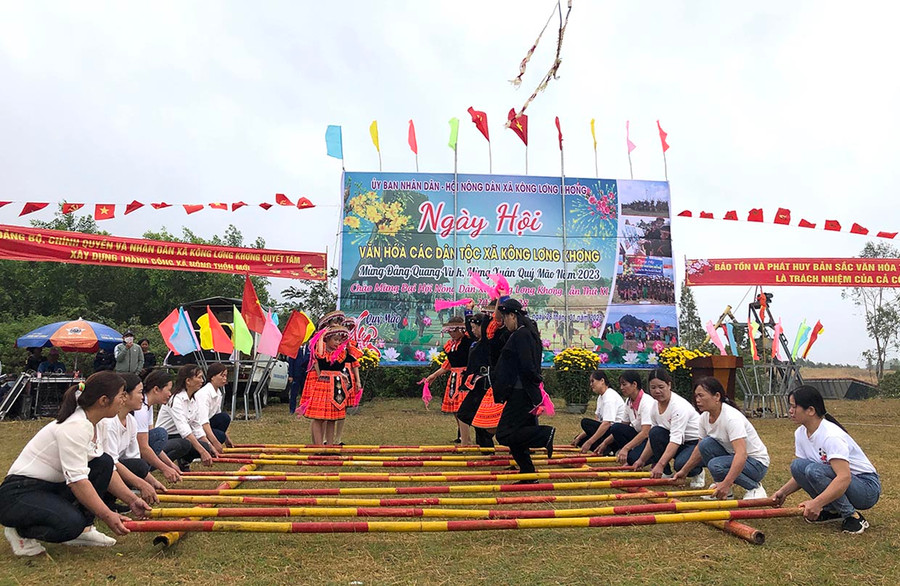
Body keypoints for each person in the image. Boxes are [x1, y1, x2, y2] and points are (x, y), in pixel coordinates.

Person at [0, 372, 151, 556]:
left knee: (103, 462)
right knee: (70, 525)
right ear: (104, 400)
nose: (124, 399)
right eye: (121, 395)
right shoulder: (76, 426)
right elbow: (77, 481)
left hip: (51, 486)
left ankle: (84, 530)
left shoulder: (100, 422)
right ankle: (20, 529)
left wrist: (132, 500)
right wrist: (107, 514)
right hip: (19, 493)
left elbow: (108, 470)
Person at [772, 385, 881, 534]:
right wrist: (783, 492)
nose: (790, 411)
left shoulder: (831, 436)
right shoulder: (800, 433)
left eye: (794, 407)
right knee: (797, 465)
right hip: (847, 483)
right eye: (790, 406)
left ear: (810, 410)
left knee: (814, 470)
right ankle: (832, 511)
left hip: (866, 488)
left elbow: (844, 477)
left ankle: (853, 517)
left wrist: (816, 503)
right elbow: (802, 474)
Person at [673, 377, 769, 500]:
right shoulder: (703, 418)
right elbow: (699, 449)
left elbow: (742, 454)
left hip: (756, 464)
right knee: (705, 445)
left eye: (701, 396)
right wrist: (684, 471)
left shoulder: (731, 418)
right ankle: (723, 490)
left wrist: (727, 483)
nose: (697, 400)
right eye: (696, 396)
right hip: (734, 457)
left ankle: (754, 488)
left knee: (715, 465)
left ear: (717, 396)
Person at [492, 298, 555, 481]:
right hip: (523, 391)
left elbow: (527, 366)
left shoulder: (522, 335)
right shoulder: (526, 333)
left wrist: (535, 381)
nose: (504, 323)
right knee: (517, 434)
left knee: (504, 433)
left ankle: (545, 435)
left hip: (521, 392)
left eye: (505, 318)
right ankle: (528, 472)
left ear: (513, 315)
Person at [98, 374, 165, 510]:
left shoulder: (131, 421)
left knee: (139, 466)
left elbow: (133, 458)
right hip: (100, 470)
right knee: (110, 464)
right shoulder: (109, 423)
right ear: (125, 396)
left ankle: (111, 500)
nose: (142, 397)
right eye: (140, 393)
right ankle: (104, 501)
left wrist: (151, 481)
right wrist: (141, 484)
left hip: (112, 467)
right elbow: (112, 462)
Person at [633, 368, 705, 487]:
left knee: (680, 464)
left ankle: (698, 472)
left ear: (669, 385)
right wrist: (641, 460)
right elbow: (653, 438)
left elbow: (676, 439)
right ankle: (666, 472)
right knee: (655, 432)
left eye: (661, 387)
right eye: (653, 387)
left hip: (695, 443)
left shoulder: (678, 407)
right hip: (677, 441)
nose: (657, 391)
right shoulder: (654, 405)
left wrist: (659, 464)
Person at [300, 326, 358, 445]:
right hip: (323, 384)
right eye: (335, 339)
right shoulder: (322, 352)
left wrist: (344, 377)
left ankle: (330, 446)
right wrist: (324, 333)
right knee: (319, 418)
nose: (338, 342)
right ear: (327, 339)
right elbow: (318, 346)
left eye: (339, 340)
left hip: (337, 386)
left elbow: (345, 365)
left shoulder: (342, 353)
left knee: (333, 418)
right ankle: (319, 446)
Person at [156, 364, 216, 471]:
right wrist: (202, 452)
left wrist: (210, 446)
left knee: (205, 446)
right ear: (188, 381)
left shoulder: (193, 399)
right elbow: (184, 430)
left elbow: (197, 427)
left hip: (180, 436)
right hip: (166, 437)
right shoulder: (176, 400)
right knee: (185, 444)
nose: (202, 381)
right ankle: (161, 464)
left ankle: (183, 460)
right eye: (199, 377)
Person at [424, 316, 473, 444]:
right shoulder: (451, 344)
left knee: (462, 409)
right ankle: (463, 436)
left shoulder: (468, 341)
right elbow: (448, 364)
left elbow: (470, 331)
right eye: (450, 331)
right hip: (454, 378)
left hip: (465, 377)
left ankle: (466, 440)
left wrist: (468, 311)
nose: (451, 333)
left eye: (454, 330)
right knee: (456, 410)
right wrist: (433, 375)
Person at [455, 311, 494, 449]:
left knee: (465, 414)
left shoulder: (487, 342)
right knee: (477, 421)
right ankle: (486, 450)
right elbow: (471, 331)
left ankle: (468, 444)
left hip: (483, 385)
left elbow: (484, 327)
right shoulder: (476, 342)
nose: (472, 331)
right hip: (476, 385)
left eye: (474, 327)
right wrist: (468, 311)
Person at [135, 369, 181, 483]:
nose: (170, 394)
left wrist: (170, 465)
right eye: (168, 390)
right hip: (131, 455)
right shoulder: (141, 409)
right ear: (156, 389)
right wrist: (165, 468)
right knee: (160, 434)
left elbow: (151, 443)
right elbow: (144, 447)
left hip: (135, 452)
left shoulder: (147, 407)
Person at [606, 371, 656, 465]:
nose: (621, 388)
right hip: (638, 434)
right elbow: (622, 426)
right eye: (620, 385)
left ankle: (652, 457)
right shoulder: (628, 402)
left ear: (634, 384)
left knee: (633, 459)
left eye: (624, 384)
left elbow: (646, 433)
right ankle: (630, 455)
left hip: (651, 439)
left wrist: (626, 448)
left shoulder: (646, 402)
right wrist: (604, 444)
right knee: (616, 428)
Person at [572, 371, 625, 454]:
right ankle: (605, 450)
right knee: (581, 439)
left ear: (602, 381)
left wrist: (589, 442)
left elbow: (606, 423)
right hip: (607, 430)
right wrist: (579, 437)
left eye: (593, 381)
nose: (591, 384)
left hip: (614, 434)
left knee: (585, 423)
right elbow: (597, 421)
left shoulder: (609, 397)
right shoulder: (601, 397)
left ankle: (611, 448)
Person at [194, 363, 233, 453]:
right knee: (220, 436)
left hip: (207, 424)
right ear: (212, 377)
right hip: (197, 428)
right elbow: (203, 422)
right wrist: (215, 442)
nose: (225, 378)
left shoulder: (218, 392)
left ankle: (211, 444)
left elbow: (217, 415)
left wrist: (227, 438)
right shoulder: (204, 394)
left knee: (224, 417)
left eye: (226, 376)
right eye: (222, 375)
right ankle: (205, 448)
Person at [287, 343, 311, 414]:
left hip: (306, 375)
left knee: (305, 393)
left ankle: (304, 409)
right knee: (294, 393)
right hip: (296, 374)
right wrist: (290, 375)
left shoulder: (309, 348)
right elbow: (291, 362)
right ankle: (292, 409)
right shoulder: (295, 348)